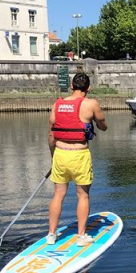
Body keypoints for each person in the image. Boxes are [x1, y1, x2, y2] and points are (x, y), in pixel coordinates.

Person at [47, 72, 107, 246]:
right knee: (83, 196)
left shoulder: (57, 104)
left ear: (72, 86)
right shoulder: (91, 104)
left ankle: (51, 234)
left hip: (60, 153)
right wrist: (96, 122)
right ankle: (81, 237)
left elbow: (51, 136)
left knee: (58, 195)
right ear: (88, 88)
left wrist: (53, 157)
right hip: (79, 155)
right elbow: (103, 127)